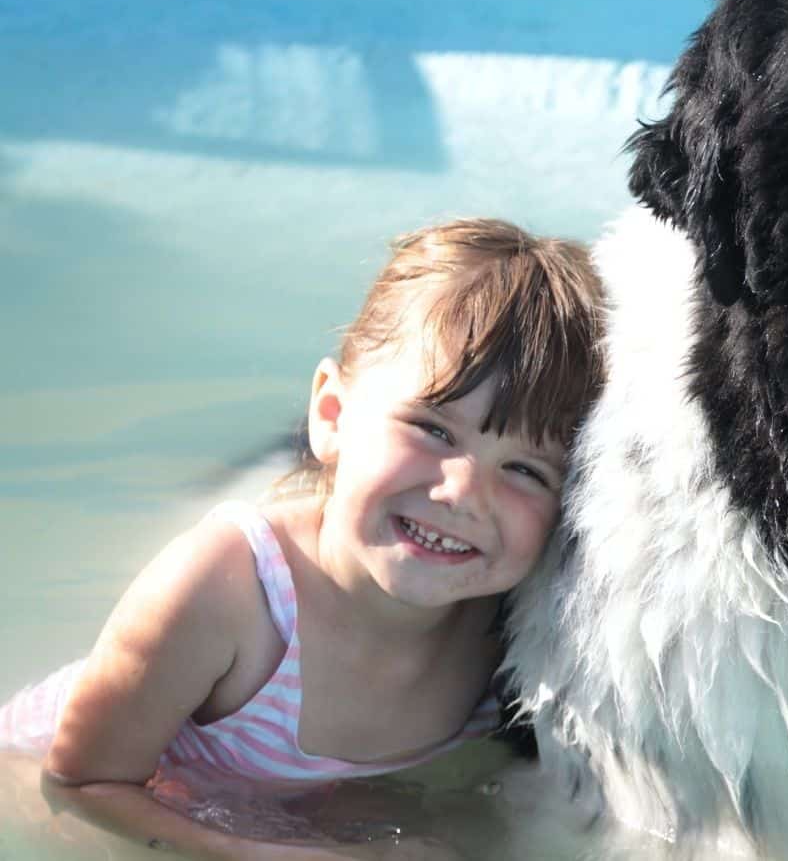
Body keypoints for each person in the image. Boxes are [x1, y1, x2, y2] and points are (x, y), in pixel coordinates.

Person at [0, 219, 605, 859]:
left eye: (525, 470)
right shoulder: (227, 593)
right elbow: (76, 786)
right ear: (331, 414)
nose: (462, 492)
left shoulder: (513, 635)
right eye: (433, 430)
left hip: (293, 801)